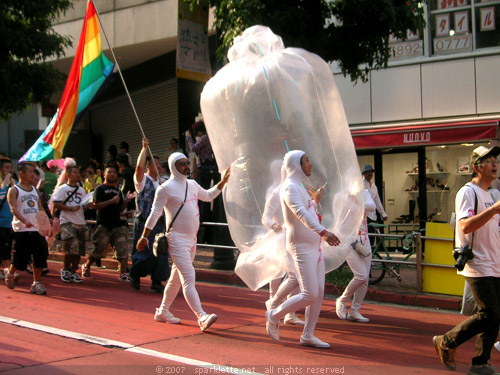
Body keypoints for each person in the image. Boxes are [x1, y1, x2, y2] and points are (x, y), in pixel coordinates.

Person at [137, 152, 230, 331]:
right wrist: (144, 236)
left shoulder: (193, 184)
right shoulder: (165, 189)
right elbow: (155, 214)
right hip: (176, 239)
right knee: (189, 277)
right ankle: (201, 316)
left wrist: (223, 181)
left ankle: (163, 311)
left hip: (192, 240)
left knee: (175, 280)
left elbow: (209, 196)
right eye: (182, 164)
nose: (187, 166)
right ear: (173, 167)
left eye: (187, 163)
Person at [433, 145, 500, 375]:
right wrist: (493, 211)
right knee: (488, 312)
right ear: (475, 167)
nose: (494, 164)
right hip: (477, 263)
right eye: (488, 160)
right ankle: (447, 341)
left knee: (495, 314)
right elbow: (465, 225)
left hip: (495, 262)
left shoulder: (493, 194)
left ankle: (480, 363)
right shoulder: (467, 192)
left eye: (495, 160)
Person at [265, 150, 340, 348]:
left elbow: (309, 211)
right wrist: (324, 232)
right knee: (309, 293)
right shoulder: (289, 187)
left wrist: (315, 201)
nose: (311, 164)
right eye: (307, 160)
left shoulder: (298, 186)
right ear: (297, 164)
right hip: (300, 248)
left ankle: (308, 335)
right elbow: (300, 214)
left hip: (314, 247)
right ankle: (273, 314)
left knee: (319, 292)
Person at [262, 160, 304, 326]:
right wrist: (274, 225)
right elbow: (265, 216)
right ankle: (274, 304)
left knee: (295, 276)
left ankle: (288, 311)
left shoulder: (297, 190)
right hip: (279, 239)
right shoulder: (275, 192)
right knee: (278, 274)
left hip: (295, 238)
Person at [81, 165, 135, 281]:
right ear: (104, 175)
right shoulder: (100, 189)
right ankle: (87, 266)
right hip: (104, 224)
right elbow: (96, 205)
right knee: (98, 249)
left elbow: (120, 209)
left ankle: (123, 273)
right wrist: (111, 201)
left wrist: (127, 201)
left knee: (122, 249)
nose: (112, 174)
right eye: (109, 172)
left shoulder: (118, 191)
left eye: (114, 172)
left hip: (118, 225)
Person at [129, 138, 169, 293]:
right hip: (145, 222)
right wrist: (144, 148)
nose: (159, 167)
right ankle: (135, 274)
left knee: (162, 252)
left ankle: (157, 280)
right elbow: (138, 167)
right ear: (148, 166)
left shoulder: (164, 182)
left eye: (160, 165)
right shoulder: (142, 181)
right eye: (155, 164)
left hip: (160, 223)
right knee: (144, 252)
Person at [5, 162, 50, 295]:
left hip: (36, 229)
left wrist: (45, 223)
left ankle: (36, 283)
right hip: (21, 230)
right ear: (21, 173)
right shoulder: (14, 190)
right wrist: (24, 221)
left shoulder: (35, 190)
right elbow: (13, 208)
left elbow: (40, 208)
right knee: (21, 259)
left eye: (34, 172)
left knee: (41, 254)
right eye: (30, 172)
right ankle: (11, 272)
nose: (33, 175)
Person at [336, 189, 376, 323]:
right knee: (361, 275)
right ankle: (342, 300)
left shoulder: (364, 192)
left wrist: (357, 198)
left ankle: (355, 310)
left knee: (365, 279)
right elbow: (339, 218)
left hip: (364, 239)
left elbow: (372, 206)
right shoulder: (340, 195)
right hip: (348, 240)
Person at [52, 166, 90, 283]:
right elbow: (56, 203)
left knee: (79, 249)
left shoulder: (82, 190)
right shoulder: (62, 189)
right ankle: (65, 269)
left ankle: (73, 271)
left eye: (78, 172)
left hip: (80, 221)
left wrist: (88, 206)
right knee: (71, 246)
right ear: (68, 175)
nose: (77, 175)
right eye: (74, 173)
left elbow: (84, 205)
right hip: (67, 221)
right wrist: (70, 208)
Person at [186, 121, 219, 243]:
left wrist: (189, 138)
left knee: (202, 198)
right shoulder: (209, 137)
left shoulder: (205, 138)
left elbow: (194, 148)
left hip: (204, 169)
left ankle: (203, 226)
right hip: (208, 167)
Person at [362, 164, 387, 245]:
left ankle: (371, 254)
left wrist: (382, 213)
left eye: (371, 172)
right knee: (366, 236)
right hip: (364, 215)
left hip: (373, 215)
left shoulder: (373, 186)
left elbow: (377, 200)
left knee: (372, 237)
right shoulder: (360, 184)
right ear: (364, 174)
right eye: (368, 172)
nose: (370, 174)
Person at [0, 158, 16, 279]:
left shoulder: (14, 184)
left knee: (8, 247)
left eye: (11, 167)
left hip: (11, 223)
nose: (9, 170)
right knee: (4, 248)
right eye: (6, 168)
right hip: (1, 223)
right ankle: (9, 272)